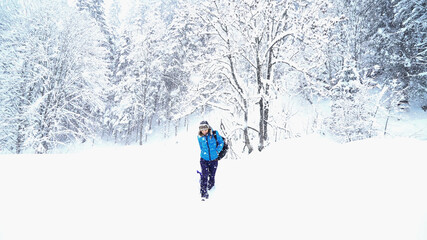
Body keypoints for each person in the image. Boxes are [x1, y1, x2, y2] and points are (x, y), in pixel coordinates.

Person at [197, 120, 224, 200]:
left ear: (208, 128)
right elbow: (201, 147)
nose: (204, 131)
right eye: (202, 130)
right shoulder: (199, 137)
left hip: (214, 159)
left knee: (212, 175)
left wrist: (217, 151)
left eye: (205, 129)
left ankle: (211, 188)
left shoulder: (214, 134)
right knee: (204, 175)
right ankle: (203, 193)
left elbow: (221, 142)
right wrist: (204, 153)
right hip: (204, 159)